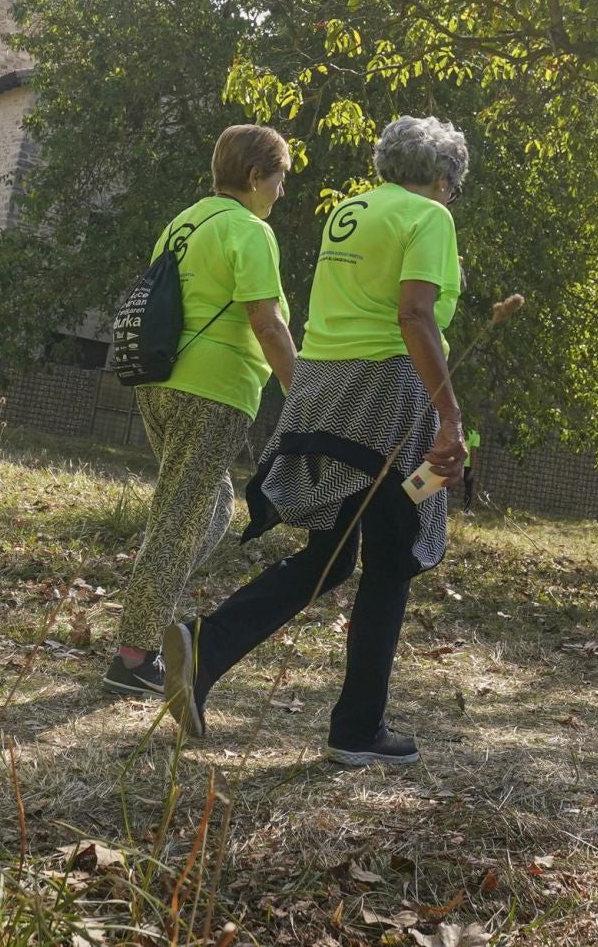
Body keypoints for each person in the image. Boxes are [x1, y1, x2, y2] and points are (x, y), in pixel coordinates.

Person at [163, 115, 470, 768]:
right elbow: (413, 315)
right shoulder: (429, 217)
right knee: (392, 559)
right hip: (384, 392)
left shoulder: (350, 211)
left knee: (334, 554)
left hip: (320, 387)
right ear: (442, 177)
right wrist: (449, 416)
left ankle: (207, 648)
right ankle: (357, 730)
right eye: (451, 186)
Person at [103, 125, 297, 698]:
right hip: (212, 389)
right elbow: (266, 321)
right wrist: (306, 398)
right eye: (280, 178)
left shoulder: (185, 221)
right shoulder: (250, 230)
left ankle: (150, 611)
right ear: (256, 176)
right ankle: (134, 658)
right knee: (181, 517)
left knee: (208, 507)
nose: (282, 192)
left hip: (160, 379)